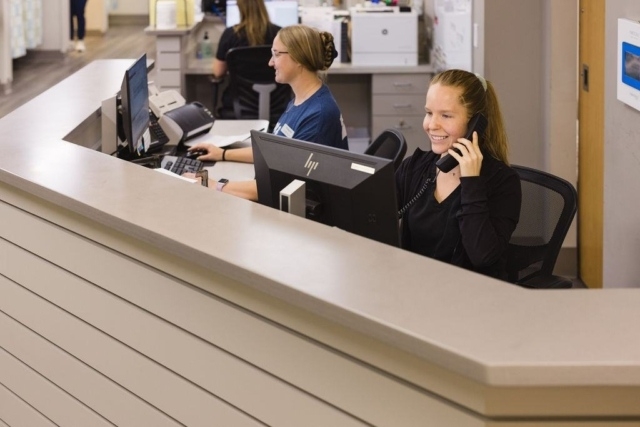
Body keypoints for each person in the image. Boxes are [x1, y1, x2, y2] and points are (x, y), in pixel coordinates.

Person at [187, 25, 349, 200]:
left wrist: (211, 185)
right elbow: (276, 152)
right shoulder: (302, 100)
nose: (270, 62)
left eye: (276, 54)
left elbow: (281, 187)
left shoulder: (318, 115)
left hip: (299, 213)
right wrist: (223, 153)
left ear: (299, 57)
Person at [395, 69, 521, 281]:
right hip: (415, 287)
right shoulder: (414, 168)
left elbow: (482, 257)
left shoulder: (502, 182)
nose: (432, 124)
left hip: (471, 297)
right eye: (429, 113)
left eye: (445, 115)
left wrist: (471, 182)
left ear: (475, 124)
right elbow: (375, 220)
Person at [213, 0, 280, 79]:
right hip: (275, 90)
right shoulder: (280, 34)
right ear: (262, 7)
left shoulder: (230, 34)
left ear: (240, 9)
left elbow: (218, 72)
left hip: (239, 91)